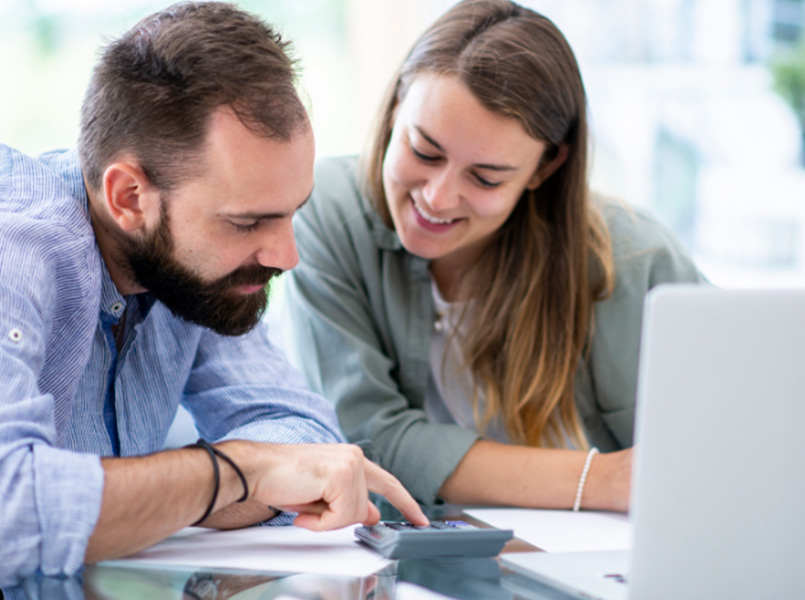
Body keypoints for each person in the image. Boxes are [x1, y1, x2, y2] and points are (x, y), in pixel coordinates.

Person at [0, 2, 426, 587]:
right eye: (249, 223)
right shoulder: (16, 249)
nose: (287, 257)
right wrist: (237, 470)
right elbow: (10, 511)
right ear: (128, 198)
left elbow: (300, 433)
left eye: (290, 214)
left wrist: (171, 492)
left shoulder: (193, 271)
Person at [278, 0, 706, 512]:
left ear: (545, 168)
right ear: (395, 108)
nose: (437, 197)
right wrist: (602, 481)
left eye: (485, 177)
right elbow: (363, 443)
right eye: (424, 150)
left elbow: (723, 441)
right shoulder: (326, 209)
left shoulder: (635, 258)